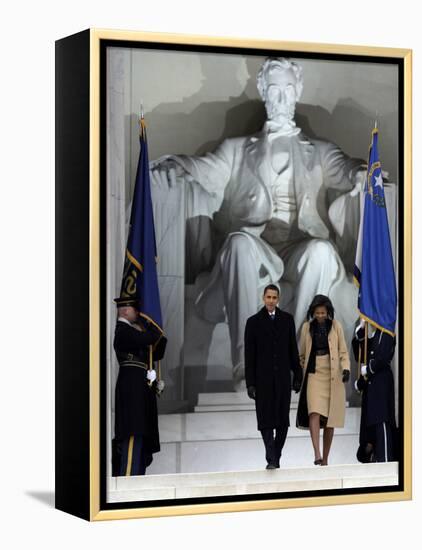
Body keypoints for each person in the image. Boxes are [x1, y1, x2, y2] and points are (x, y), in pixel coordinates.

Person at [151, 57, 367, 390]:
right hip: (257, 248)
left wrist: (362, 173)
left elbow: (347, 167)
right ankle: (246, 366)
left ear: (298, 92)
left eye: (288, 90)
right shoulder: (238, 149)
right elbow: (204, 169)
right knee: (237, 242)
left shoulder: (320, 151)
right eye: (274, 91)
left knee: (323, 252)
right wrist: (178, 165)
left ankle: (293, 358)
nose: (281, 99)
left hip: (300, 249)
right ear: (264, 93)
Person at [244, 284, 302, 469]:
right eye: (268, 297)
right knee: (266, 420)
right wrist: (250, 383)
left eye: (274, 297)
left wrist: (297, 376)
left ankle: (276, 454)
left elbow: (293, 350)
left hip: (283, 379)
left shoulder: (287, 320)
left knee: (283, 421)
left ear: (278, 299)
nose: (271, 301)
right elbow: (249, 356)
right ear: (263, 298)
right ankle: (271, 457)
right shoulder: (253, 322)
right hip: (263, 381)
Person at [112, 297, 167, 476]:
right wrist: (152, 323)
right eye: (138, 312)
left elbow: (157, 348)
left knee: (141, 435)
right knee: (133, 433)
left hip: (140, 391)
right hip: (131, 391)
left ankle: (136, 475)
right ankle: (129, 477)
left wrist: (155, 329)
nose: (140, 315)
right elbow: (150, 337)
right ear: (127, 311)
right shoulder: (123, 331)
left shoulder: (132, 333)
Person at [296, 295, 350, 465]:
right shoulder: (306, 327)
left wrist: (346, 368)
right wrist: (299, 375)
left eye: (323, 313)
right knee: (314, 412)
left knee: (330, 419)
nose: (320, 315)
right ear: (313, 312)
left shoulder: (336, 326)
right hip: (313, 373)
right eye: (317, 313)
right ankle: (317, 454)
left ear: (328, 313)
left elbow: (343, 351)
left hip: (332, 374)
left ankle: (326, 458)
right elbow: (302, 355)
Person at [352, 322, 397, 463]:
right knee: (370, 423)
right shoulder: (374, 334)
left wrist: (369, 368)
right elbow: (360, 354)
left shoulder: (386, 332)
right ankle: (374, 458)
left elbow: (382, 358)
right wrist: (361, 331)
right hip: (371, 385)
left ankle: (385, 458)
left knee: (381, 420)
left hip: (381, 384)